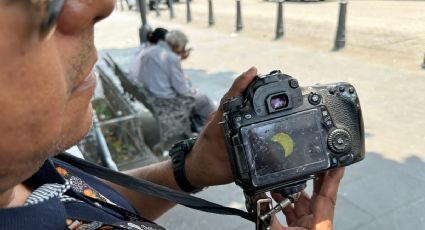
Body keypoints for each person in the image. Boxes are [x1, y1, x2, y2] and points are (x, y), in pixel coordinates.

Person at [0, 1, 344, 230]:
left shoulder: (27, 168)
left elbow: (90, 199)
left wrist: (188, 171)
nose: (101, 5)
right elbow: (182, 88)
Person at [133, 30, 216, 133]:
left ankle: (198, 127)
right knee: (204, 100)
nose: (182, 50)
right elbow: (182, 90)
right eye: (183, 47)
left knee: (197, 97)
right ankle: (211, 129)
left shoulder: (149, 51)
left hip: (153, 98)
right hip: (167, 101)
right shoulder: (170, 58)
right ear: (177, 46)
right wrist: (192, 91)